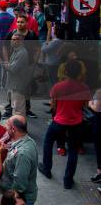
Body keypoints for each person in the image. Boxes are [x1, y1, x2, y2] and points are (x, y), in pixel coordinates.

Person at [38, 59, 91, 189]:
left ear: (66, 71)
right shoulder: (84, 87)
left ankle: (47, 169)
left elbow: (53, 105)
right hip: (76, 123)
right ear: (80, 72)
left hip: (59, 121)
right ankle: (68, 180)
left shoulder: (58, 86)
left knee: (48, 143)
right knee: (73, 150)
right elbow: (85, 105)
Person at [0, 116, 38, 205]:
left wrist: (8, 199)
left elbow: (20, 184)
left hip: (17, 200)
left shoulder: (22, 154)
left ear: (13, 129)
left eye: (7, 125)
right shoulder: (27, 140)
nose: (5, 127)